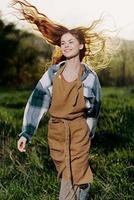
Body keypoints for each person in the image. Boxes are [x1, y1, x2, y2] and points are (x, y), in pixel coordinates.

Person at [12, 0, 110, 199]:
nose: (65, 46)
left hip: (79, 131)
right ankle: (82, 189)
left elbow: (94, 110)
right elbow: (36, 102)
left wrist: (86, 135)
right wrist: (26, 133)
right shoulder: (52, 74)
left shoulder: (90, 77)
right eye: (63, 43)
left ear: (81, 45)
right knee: (69, 174)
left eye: (71, 42)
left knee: (73, 176)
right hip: (56, 132)